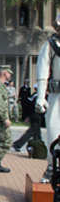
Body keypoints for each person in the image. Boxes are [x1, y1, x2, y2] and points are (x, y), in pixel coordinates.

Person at [35, 15, 60, 183]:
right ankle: (52, 167)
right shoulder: (50, 45)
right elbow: (42, 74)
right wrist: (41, 96)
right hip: (56, 95)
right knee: (54, 131)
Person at [13, 84, 43, 152]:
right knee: (31, 131)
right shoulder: (38, 97)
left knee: (37, 133)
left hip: (34, 115)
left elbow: (28, 106)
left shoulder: (34, 95)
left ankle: (38, 147)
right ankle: (17, 144)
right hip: (36, 115)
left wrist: (27, 116)